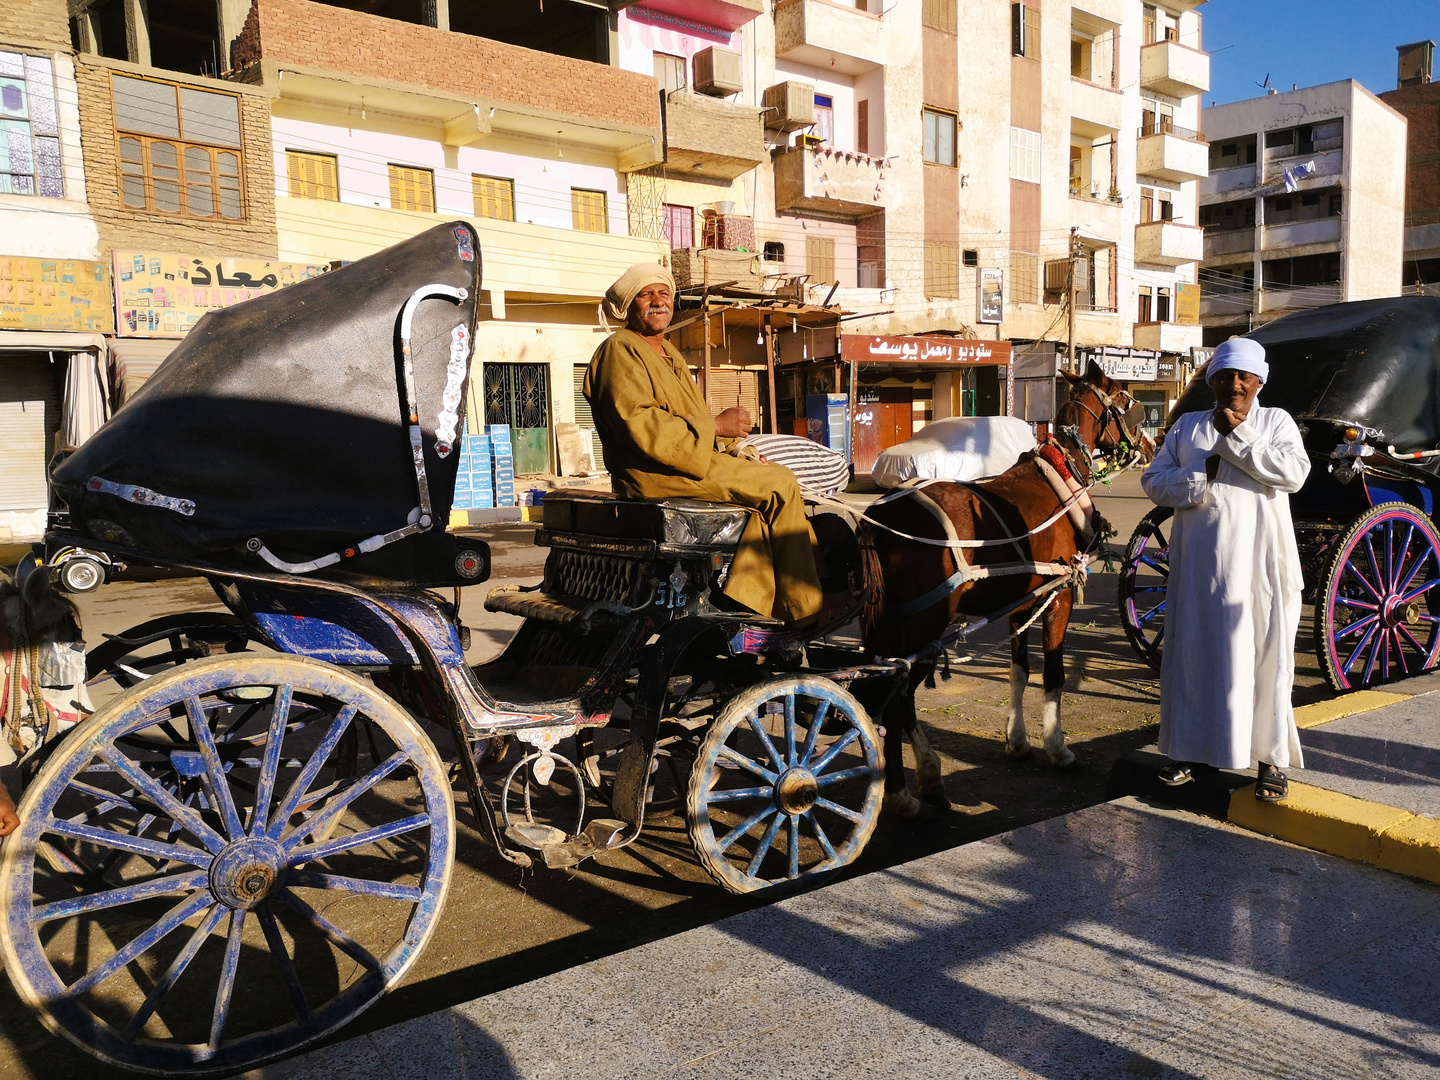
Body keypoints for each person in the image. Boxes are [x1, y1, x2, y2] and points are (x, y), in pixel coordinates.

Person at [583, 263, 834, 626]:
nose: (657, 302)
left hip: (686, 464)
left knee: (770, 482)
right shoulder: (619, 351)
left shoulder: (668, 352)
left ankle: (754, 602)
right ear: (629, 305)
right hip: (656, 475)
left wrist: (739, 451)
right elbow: (643, 426)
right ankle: (805, 613)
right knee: (779, 484)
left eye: (664, 293)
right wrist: (717, 424)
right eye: (646, 294)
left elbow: (691, 422)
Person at [1140, 336, 1311, 802]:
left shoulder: (1275, 422)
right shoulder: (1186, 427)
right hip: (1200, 572)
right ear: (1211, 379)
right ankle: (1190, 753)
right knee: (1195, 655)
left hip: (1259, 569)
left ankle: (1270, 762)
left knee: (1264, 657)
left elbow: (1294, 474)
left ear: (1259, 381)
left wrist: (1237, 437)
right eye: (1225, 375)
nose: (1234, 384)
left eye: (1243, 376)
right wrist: (1200, 478)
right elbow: (1153, 481)